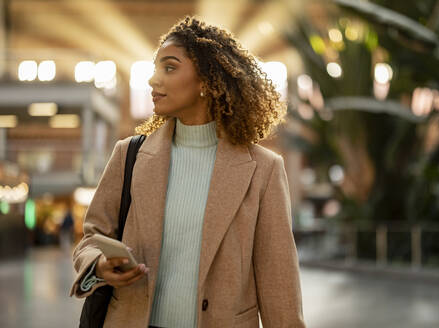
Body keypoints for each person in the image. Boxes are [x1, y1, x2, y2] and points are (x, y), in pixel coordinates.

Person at [70, 16, 306, 328]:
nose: (154, 80)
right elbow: (92, 238)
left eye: (169, 67)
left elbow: (280, 286)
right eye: (155, 69)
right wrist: (99, 265)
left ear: (207, 81)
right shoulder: (128, 154)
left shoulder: (263, 170)